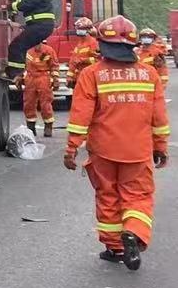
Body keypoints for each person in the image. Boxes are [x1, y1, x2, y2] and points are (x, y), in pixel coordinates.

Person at [67, 15, 169, 271]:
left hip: (103, 150)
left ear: (101, 43)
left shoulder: (92, 74)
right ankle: (134, 232)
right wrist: (161, 147)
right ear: (133, 45)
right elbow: (159, 118)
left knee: (108, 196)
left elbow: (80, 116)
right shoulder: (149, 75)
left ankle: (115, 247)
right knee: (138, 197)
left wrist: (71, 148)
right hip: (137, 151)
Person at [6, 0, 56, 79]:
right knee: (23, 47)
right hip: (40, 25)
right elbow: (27, 1)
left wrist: (10, 6)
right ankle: (22, 73)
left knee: (17, 46)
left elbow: (26, 5)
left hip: (39, 25)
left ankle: (16, 74)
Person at [22, 41, 59, 138]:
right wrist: (19, 77)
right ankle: (31, 127)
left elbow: (54, 66)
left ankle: (48, 126)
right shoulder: (27, 50)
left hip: (43, 77)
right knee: (28, 103)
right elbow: (22, 65)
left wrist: (55, 79)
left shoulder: (49, 50)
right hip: (30, 78)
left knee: (45, 103)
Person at [69, 18, 100, 83]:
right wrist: (70, 77)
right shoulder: (80, 43)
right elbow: (73, 61)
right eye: (78, 29)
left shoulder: (93, 43)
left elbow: (98, 60)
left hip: (89, 76)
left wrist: (83, 60)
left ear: (88, 30)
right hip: (79, 76)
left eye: (81, 29)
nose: (78, 31)